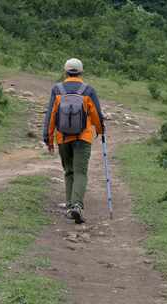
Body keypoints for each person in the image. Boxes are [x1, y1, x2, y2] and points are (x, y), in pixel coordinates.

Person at [43, 58, 104, 224]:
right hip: (83, 138)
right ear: (81, 72)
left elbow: (51, 116)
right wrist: (100, 131)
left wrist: (48, 138)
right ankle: (77, 205)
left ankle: (70, 206)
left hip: (63, 138)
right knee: (80, 172)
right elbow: (96, 115)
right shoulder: (88, 90)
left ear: (65, 72)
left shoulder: (57, 90)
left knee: (69, 171)